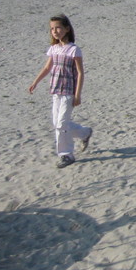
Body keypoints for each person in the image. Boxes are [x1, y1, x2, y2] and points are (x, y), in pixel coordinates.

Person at [28, 14, 92, 168]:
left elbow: (80, 73)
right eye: (52, 29)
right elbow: (47, 68)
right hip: (56, 91)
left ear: (67, 29)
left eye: (58, 28)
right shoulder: (54, 48)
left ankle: (66, 155)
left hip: (69, 92)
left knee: (62, 124)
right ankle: (84, 133)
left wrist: (77, 95)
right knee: (58, 123)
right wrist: (35, 82)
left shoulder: (74, 50)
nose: (55, 31)